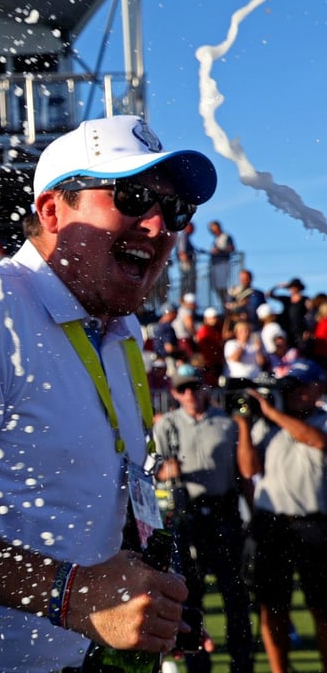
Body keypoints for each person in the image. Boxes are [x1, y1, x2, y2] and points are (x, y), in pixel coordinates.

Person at [0, 114, 218, 671]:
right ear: (52, 211)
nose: (159, 227)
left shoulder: (122, 327)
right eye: (132, 197)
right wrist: (73, 594)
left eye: (175, 209)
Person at [152, 364, 254, 673]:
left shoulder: (227, 424)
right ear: (174, 393)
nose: (189, 394)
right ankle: (198, 664)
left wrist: (253, 519)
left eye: (194, 387)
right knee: (191, 596)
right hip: (185, 514)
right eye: (182, 389)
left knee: (234, 594)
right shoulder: (166, 425)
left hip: (223, 514)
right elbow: (153, 470)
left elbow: (244, 475)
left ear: (204, 388)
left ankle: (242, 663)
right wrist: (167, 470)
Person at [237, 359, 327, 673]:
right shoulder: (266, 425)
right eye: (292, 387)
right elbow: (249, 469)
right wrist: (244, 426)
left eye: (304, 385)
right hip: (271, 524)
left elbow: (317, 441)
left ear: (320, 387)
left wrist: (273, 412)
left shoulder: (322, 420)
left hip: (313, 524)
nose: (297, 393)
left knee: (322, 607)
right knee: (272, 606)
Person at [208, 220, 235, 306]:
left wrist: (220, 251)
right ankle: (224, 304)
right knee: (217, 287)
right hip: (216, 265)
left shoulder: (226, 236)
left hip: (223, 264)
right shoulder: (216, 239)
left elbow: (231, 249)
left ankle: (227, 304)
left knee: (223, 286)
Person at [175, 221, 198, 299]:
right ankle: (185, 298)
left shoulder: (184, 236)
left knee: (187, 280)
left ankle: (185, 297)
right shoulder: (183, 236)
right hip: (186, 263)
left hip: (186, 262)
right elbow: (182, 251)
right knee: (187, 281)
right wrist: (187, 261)